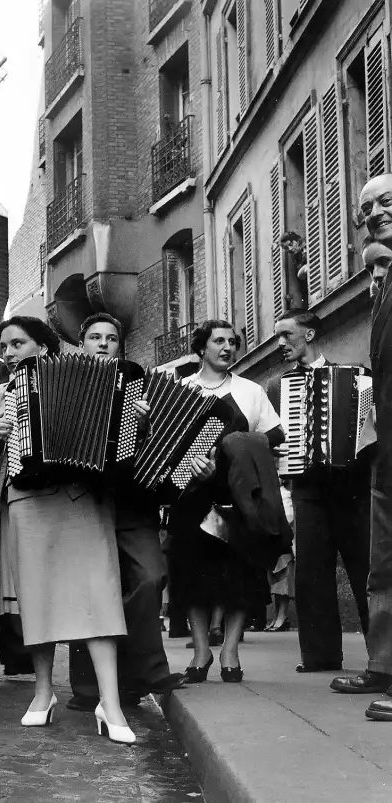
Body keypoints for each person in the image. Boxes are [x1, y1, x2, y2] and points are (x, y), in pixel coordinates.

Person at [0, 315, 135, 744]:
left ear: (43, 346)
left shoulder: (106, 378)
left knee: (98, 596)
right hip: (28, 501)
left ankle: (110, 702)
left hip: (84, 497)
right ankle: (43, 693)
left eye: (17, 343)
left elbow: (124, 446)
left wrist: (135, 424)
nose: (8, 353)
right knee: (38, 599)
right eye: (3, 345)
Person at [68, 312, 186, 712]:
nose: (103, 344)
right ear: (81, 343)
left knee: (152, 578)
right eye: (95, 337)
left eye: (112, 338)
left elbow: (164, 449)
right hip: (83, 504)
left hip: (133, 501)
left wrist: (146, 425)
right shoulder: (63, 382)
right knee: (93, 592)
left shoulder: (137, 380)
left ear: (121, 345)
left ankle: (146, 669)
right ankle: (88, 688)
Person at [167, 320, 284, 684]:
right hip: (192, 497)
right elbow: (167, 450)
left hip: (239, 500)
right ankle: (201, 652)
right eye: (218, 341)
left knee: (241, 578)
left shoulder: (250, 391)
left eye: (232, 342)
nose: (227, 348)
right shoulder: (182, 390)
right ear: (202, 347)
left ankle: (230, 651)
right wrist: (193, 468)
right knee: (192, 577)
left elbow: (272, 440)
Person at [274, 309, 370, 672]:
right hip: (308, 489)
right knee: (311, 572)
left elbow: (370, 430)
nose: (280, 343)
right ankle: (320, 656)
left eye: (287, 335)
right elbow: (274, 438)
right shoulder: (279, 386)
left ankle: (381, 653)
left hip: (352, 490)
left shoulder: (359, 376)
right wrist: (280, 450)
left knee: (364, 570)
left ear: (309, 334)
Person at [333, 174, 392, 718]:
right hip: (388, 445)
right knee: (384, 561)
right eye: (367, 207)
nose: (374, 213)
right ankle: (384, 664)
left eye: (387, 202)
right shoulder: (384, 288)